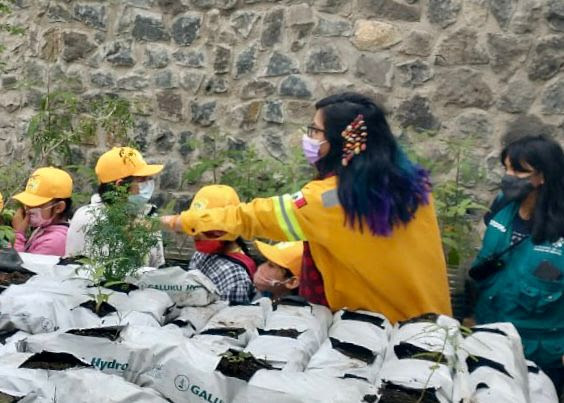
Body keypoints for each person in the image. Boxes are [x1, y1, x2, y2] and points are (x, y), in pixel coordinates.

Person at [163, 92, 451, 323]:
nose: (309, 137)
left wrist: (185, 221)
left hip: (377, 331)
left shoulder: (331, 200)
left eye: (315, 130)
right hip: (429, 324)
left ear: (341, 142)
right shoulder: (413, 186)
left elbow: (253, 216)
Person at [469, 135, 564, 394]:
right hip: (488, 340)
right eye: (507, 168)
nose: (509, 177)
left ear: (543, 177)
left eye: (519, 170)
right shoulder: (502, 205)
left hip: (539, 355)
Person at [66, 146, 165, 267]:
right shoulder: (89, 219)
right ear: (120, 185)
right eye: (142, 179)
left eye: (149, 178)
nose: (149, 183)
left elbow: (156, 269)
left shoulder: (147, 215)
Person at [187, 185, 256, 304]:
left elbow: (229, 322)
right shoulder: (202, 253)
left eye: (205, 226)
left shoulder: (235, 276)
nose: (196, 233)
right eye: (194, 225)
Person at [11, 167, 73, 256]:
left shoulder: (55, 241)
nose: (28, 209)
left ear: (59, 207)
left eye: (36, 203)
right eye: (27, 203)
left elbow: (16, 266)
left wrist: (18, 234)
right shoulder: (44, 228)